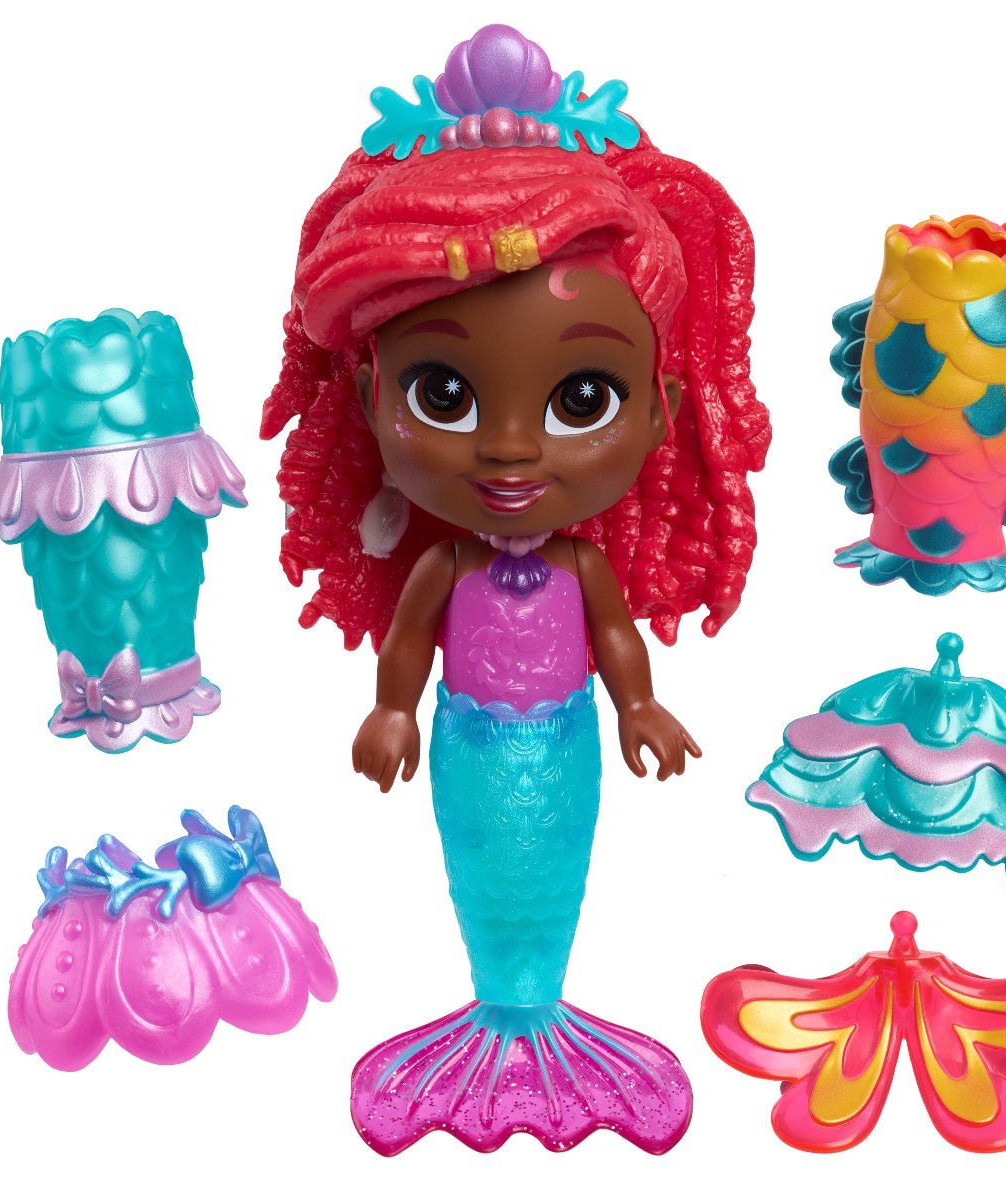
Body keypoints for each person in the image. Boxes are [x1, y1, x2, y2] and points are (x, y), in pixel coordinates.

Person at [261, 23, 769, 1155]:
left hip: (567, 740)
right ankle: (497, 1006)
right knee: (486, 870)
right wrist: (394, 710)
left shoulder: (581, 565)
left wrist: (639, 704)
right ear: (369, 398)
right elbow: (408, 643)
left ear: (661, 414)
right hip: (470, 743)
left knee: (553, 868)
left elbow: (616, 637)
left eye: (582, 399)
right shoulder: (442, 566)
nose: (508, 451)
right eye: (442, 393)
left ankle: (541, 1006)